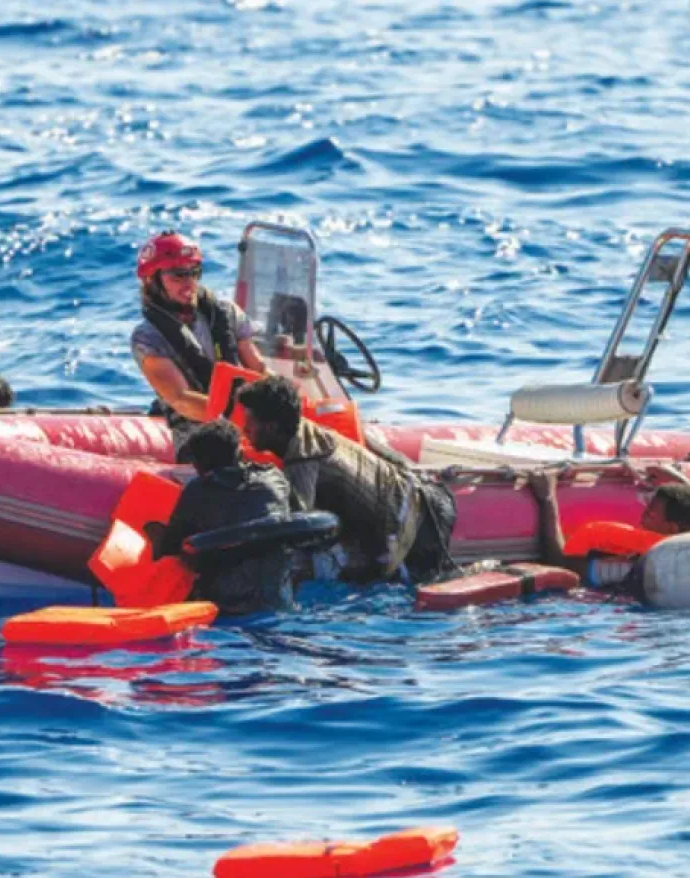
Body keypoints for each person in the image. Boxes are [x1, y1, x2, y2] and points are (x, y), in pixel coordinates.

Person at [236, 375, 456, 584]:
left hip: (417, 529)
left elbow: (298, 529)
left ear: (272, 426)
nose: (244, 429)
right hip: (423, 500)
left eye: (250, 422)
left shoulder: (302, 459)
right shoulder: (308, 431)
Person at [130, 231, 267, 450]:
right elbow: (181, 399)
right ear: (152, 281)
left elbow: (258, 367)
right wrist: (243, 421)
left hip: (251, 428)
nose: (189, 283)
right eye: (178, 275)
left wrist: (283, 405)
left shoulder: (226, 313)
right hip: (198, 440)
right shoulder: (147, 338)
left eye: (194, 273)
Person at [150, 420, 295, 615]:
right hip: (278, 601)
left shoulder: (198, 490)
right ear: (240, 452)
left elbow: (170, 546)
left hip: (226, 608)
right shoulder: (274, 478)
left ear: (198, 466)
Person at [529, 471, 690, 593]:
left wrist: (547, 498)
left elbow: (558, 564)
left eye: (651, 515)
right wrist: (679, 479)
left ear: (672, 528)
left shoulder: (634, 568)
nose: (643, 516)